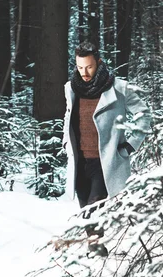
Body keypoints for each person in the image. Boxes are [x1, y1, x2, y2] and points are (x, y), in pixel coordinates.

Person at [63, 41, 151, 210]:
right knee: (85, 214)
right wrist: (66, 142)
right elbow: (68, 116)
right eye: (80, 68)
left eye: (89, 67)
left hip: (106, 162)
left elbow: (144, 115)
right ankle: (95, 237)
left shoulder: (118, 88)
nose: (84, 73)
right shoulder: (72, 88)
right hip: (80, 162)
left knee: (92, 210)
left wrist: (130, 146)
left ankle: (96, 236)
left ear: (99, 62)